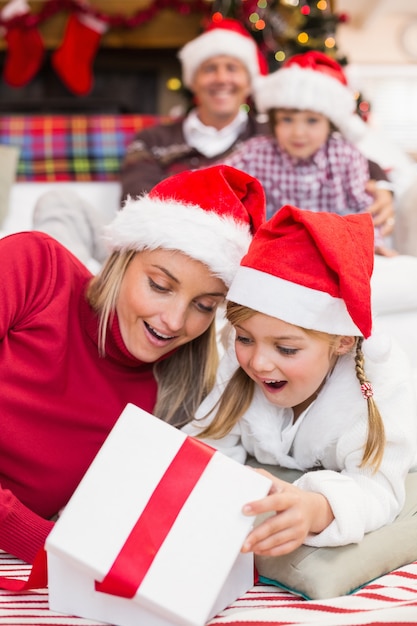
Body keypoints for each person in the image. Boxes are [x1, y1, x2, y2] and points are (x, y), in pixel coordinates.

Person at [0, 164, 265, 566]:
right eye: (160, 286)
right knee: (61, 212)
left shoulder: (175, 400)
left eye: (204, 306)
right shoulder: (33, 265)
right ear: (124, 259)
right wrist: (41, 543)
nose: (174, 321)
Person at [32, 21, 394, 271]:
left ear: (248, 81)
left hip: (224, 253)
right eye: (210, 68)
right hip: (155, 243)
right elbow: (139, 200)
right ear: (193, 81)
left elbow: (339, 154)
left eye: (232, 68)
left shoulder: (276, 134)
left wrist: (382, 187)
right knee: (57, 202)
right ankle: (64, 293)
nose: (221, 78)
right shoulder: (155, 139)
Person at [183, 205, 417, 556]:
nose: (258, 362)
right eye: (245, 338)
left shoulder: (381, 389)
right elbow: (206, 445)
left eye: (287, 349)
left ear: (342, 341)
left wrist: (318, 508)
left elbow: (378, 489)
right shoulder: (237, 364)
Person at [221, 50, 394, 255]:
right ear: (274, 121)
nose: (298, 132)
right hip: (271, 251)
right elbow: (218, 181)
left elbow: (364, 211)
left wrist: (374, 245)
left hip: (334, 251)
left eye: (312, 120)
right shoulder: (255, 153)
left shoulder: (346, 156)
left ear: (329, 123)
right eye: (287, 119)